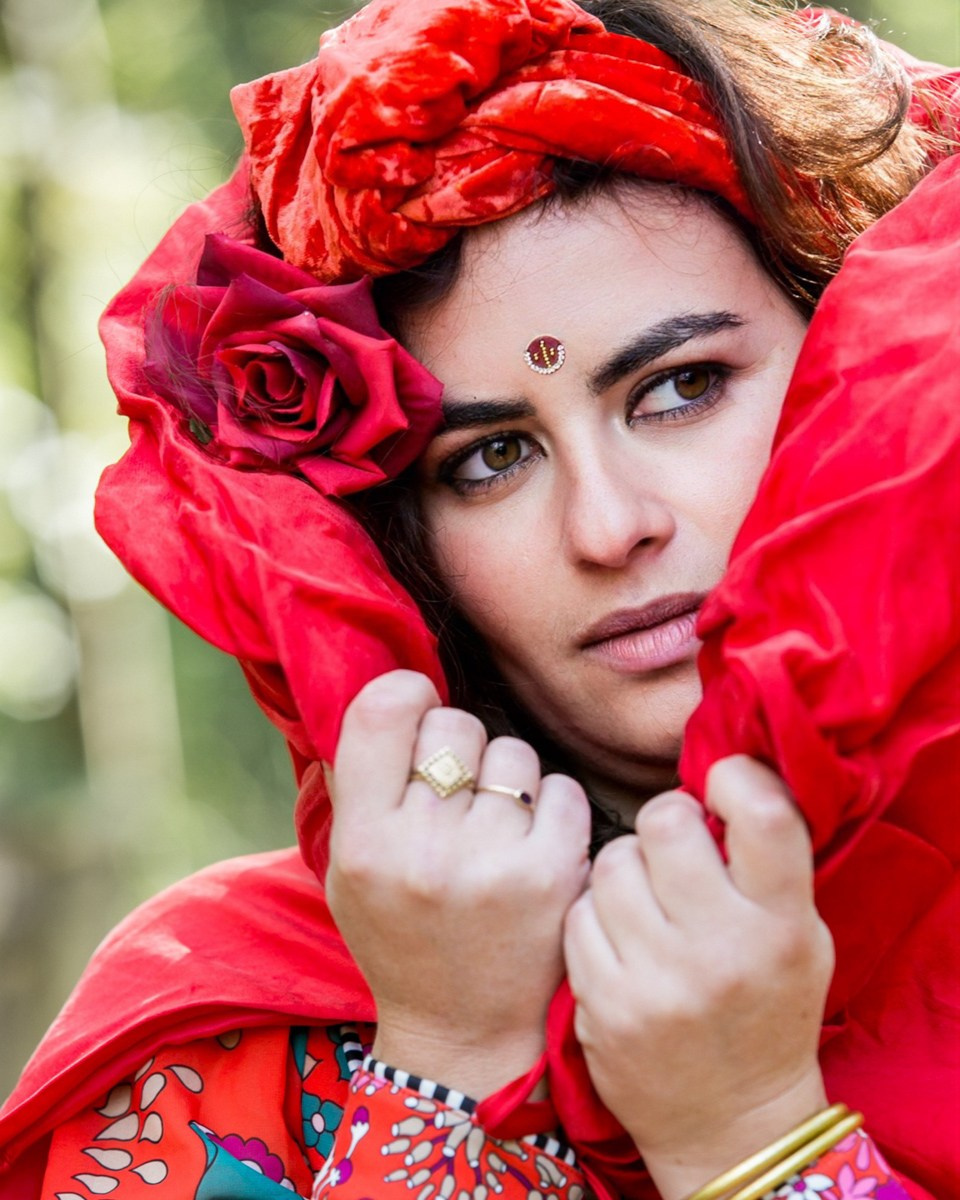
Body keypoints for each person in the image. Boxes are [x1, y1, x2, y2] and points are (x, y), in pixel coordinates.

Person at [0, 1, 957, 1198]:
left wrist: (750, 1141)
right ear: (395, 551)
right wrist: (445, 1063)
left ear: (855, 367)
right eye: (489, 459)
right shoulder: (214, 1031)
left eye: (682, 387)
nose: (611, 526)